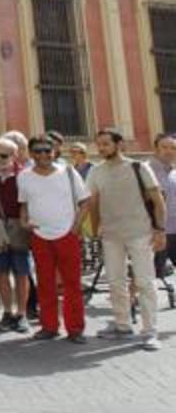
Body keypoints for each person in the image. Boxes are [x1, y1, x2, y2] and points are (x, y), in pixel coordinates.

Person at [87, 128, 167, 350]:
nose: (102, 148)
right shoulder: (96, 172)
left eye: (106, 144)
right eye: (99, 144)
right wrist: (95, 231)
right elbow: (93, 203)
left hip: (140, 232)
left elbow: (158, 200)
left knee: (145, 282)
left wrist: (160, 230)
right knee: (115, 282)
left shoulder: (139, 167)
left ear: (119, 144)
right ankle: (122, 326)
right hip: (111, 235)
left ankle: (150, 331)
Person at [18, 136, 90, 343]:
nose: (43, 155)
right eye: (38, 151)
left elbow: (85, 201)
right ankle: (49, 326)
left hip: (66, 235)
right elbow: (24, 204)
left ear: (54, 152)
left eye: (46, 151)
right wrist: (24, 221)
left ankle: (75, 329)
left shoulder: (67, 172)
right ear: (31, 153)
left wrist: (74, 229)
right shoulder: (24, 176)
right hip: (40, 236)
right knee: (45, 284)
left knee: (72, 284)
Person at [0, 138, 31, 334]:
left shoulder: (25, 176)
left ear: (14, 156)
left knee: (21, 273)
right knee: (1, 273)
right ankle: (7, 312)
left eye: (4, 155)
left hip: (18, 229)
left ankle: (22, 314)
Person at [148, 134, 176, 281]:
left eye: (173, 148)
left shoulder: (173, 172)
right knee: (150, 272)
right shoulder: (146, 170)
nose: (169, 151)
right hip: (156, 232)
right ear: (155, 149)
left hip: (174, 230)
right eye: (164, 147)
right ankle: (131, 298)